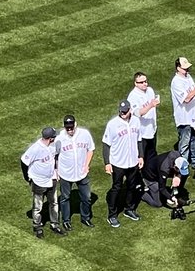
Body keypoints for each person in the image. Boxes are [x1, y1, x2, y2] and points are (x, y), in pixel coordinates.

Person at [102, 100, 144, 228]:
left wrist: (141, 156)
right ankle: (112, 215)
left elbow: (139, 140)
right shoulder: (112, 124)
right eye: (121, 112)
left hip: (132, 162)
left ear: (130, 110)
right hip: (118, 163)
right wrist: (107, 163)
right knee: (116, 188)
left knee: (132, 186)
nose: (123, 114)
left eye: (125, 111)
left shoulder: (136, 121)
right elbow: (106, 144)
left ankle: (129, 209)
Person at [21, 126, 64, 238]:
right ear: (50, 138)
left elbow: (54, 158)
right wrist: (27, 177)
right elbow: (24, 161)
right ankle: (37, 226)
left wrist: (56, 171)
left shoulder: (52, 146)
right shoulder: (36, 148)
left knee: (54, 203)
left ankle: (54, 225)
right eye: (54, 136)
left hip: (52, 179)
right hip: (38, 181)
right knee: (38, 206)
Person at [55, 113, 95, 229]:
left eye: (71, 127)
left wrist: (87, 165)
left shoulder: (85, 134)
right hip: (65, 173)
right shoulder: (59, 138)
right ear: (64, 127)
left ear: (75, 124)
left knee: (86, 198)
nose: (70, 130)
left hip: (82, 173)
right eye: (67, 128)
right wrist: (56, 170)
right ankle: (66, 220)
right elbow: (55, 155)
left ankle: (85, 218)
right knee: (65, 198)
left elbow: (90, 149)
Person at [171, 56, 195, 169]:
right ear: (178, 68)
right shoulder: (176, 82)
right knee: (184, 144)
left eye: (188, 68)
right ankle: (182, 165)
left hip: (193, 116)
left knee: (194, 140)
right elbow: (186, 99)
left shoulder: (188, 77)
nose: (187, 70)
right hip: (184, 118)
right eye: (184, 68)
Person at [128, 71, 160, 183]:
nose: (144, 84)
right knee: (141, 157)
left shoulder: (150, 91)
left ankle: (150, 177)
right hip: (141, 134)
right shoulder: (133, 96)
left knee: (152, 155)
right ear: (135, 83)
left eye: (145, 81)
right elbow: (137, 113)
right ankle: (138, 180)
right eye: (141, 82)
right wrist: (151, 105)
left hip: (152, 129)